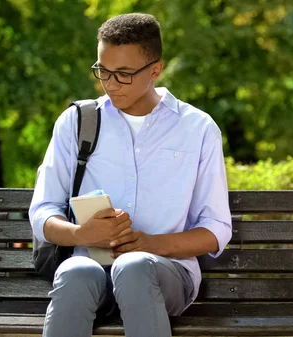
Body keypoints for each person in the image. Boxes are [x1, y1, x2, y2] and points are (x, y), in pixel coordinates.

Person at [29, 13, 232, 337]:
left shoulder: (198, 128)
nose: (110, 84)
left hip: (168, 274)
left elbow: (216, 230)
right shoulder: (76, 123)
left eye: (123, 74)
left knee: (133, 266)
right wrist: (81, 234)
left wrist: (151, 244)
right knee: (75, 270)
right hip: (91, 272)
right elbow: (42, 212)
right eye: (103, 71)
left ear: (155, 70)